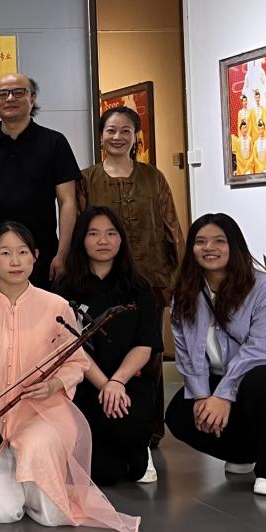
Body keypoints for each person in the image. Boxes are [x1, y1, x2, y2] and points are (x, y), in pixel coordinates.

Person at [0, 222, 140, 532]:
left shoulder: (55, 305)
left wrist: (53, 385)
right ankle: (11, 470)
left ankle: (31, 473)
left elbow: (76, 363)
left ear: (35, 256)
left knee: (52, 515)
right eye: (5, 253)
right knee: (4, 512)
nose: (15, 261)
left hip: (44, 416)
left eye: (23, 252)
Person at [165, 214, 266, 496]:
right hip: (221, 380)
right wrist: (202, 396)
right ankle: (244, 452)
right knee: (180, 414)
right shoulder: (185, 293)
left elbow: (263, 350)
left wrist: (223, 394)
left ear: (234, 246)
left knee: (263, 382)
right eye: (201, 241)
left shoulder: (262, 288)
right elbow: (186, 353)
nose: (209, 248)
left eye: (219, 241)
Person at [77, 105, 183, 448]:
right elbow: (79, 229)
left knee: (149, 355)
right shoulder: (87, 179)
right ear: (101, 136)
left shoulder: (154, 177)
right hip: (101, 280)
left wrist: (179, 277)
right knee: (99, 352)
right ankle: (102, 423)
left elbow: (172, 227)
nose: (118, 137)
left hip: (151, 278)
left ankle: (148, 430)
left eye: (126, 131)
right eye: (111, 130)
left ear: (136, 137)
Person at [56, 208, 161, 485]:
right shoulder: (64, 289)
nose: (103, 241)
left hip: (130, 380)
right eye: (93, 234)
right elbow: (70, 347)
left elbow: (145, 344)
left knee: (125, 429)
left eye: (111, 233)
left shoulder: (139, 287)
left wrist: (117, 382)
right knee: (104, 474)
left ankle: (140, 448)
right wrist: (105, 385)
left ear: (121, 239)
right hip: (85, 382)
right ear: (81, 239)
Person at [0, 73, 80, 289]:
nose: (10, 98)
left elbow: (68, 201)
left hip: (43, 251)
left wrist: (63, 254)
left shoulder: (55, 142)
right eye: (2, 94)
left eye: (18, 92)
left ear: (32, 98)